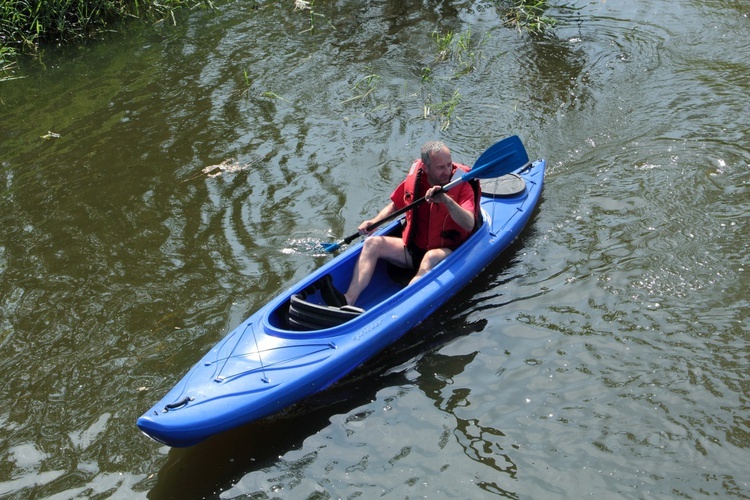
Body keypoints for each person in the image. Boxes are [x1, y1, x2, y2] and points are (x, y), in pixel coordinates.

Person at [334, 141, 480, 307]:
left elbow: (469, 223)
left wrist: (446, 201)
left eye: (449, 165)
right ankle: (349, 300)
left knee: (430, 257)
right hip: (412, 249)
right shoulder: (417, 177)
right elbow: (397, 204)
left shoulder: (462, 186)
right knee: (372, 243)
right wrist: (375, 221)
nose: (447, 171)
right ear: (425, 168)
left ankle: (403, 304)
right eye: (440, 168)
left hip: (445, 251)